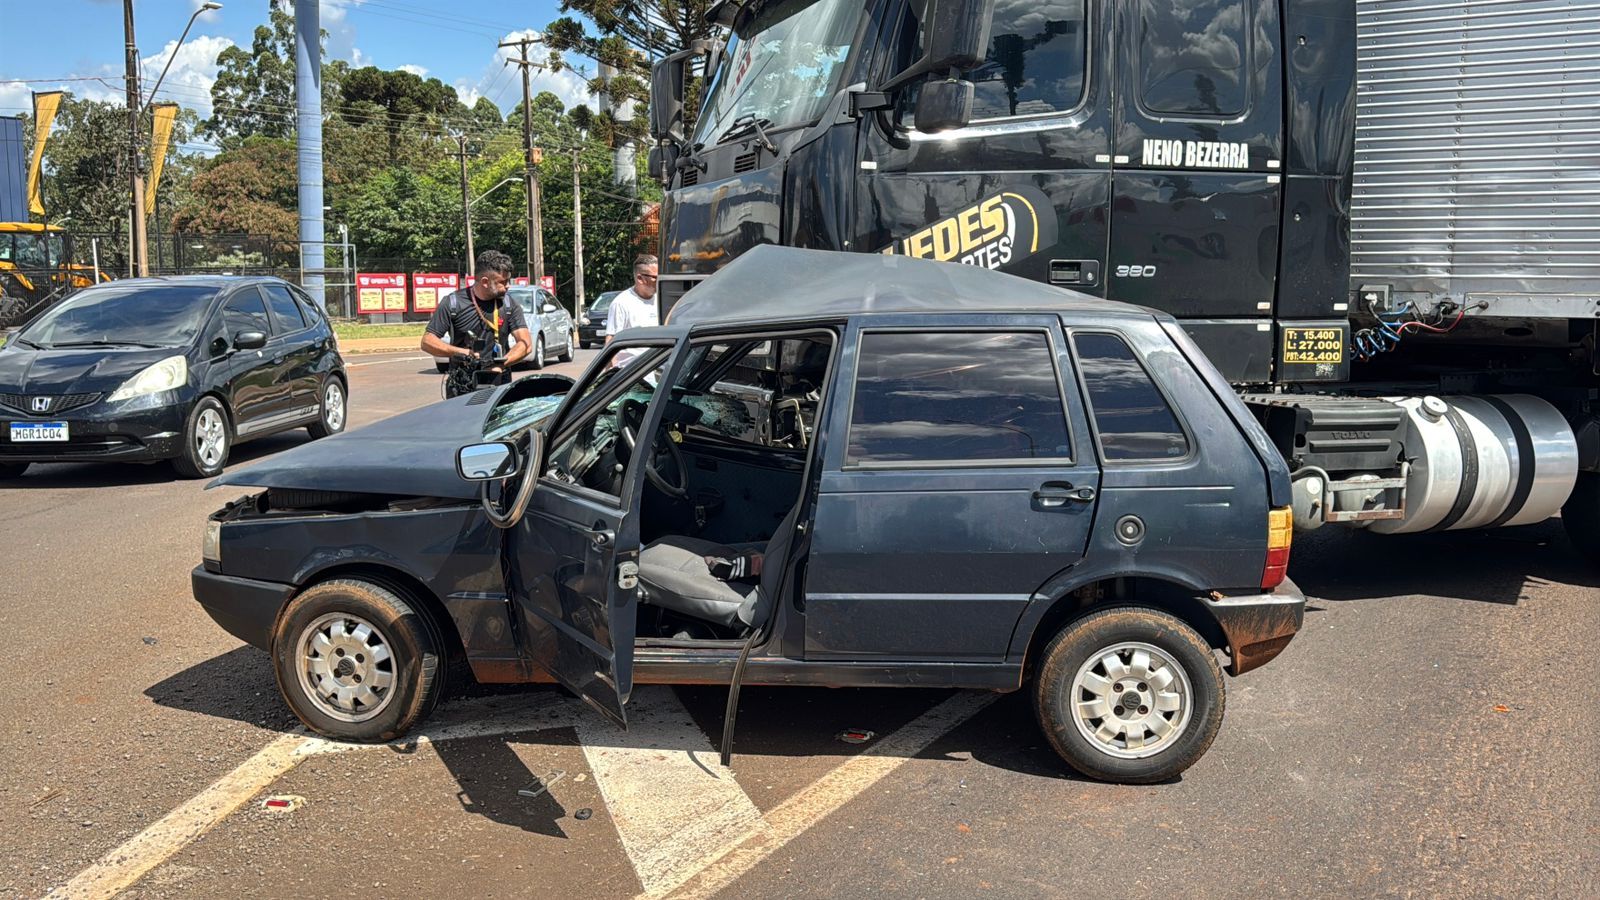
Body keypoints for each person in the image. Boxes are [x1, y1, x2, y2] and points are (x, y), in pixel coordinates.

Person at [421, 250, 533, 386]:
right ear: (485, 282)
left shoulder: (509, 305)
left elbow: (525, 344)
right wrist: (464, 353)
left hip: (498, 383)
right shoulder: (453, 303)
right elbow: (427, 342)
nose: (508, 285)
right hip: (462, 385)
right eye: (503, 282)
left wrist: (501, 365)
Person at [605, 254, 660, 366]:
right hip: (633, 375)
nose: (659, 280)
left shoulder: (662, 300)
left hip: (659, 373)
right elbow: (611, 342)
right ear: (640, 278)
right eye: (655, 277)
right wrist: (612, 374)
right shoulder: (621, 303)